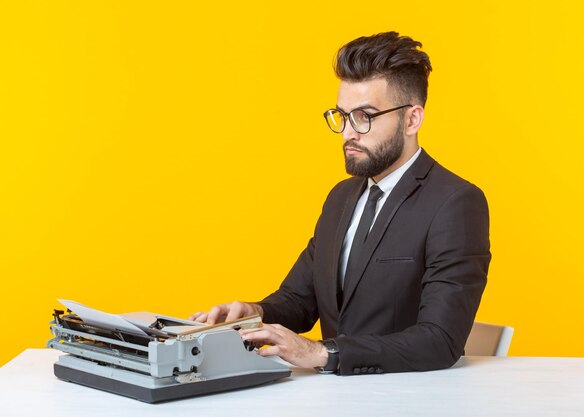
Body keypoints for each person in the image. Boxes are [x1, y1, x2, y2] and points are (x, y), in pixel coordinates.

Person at [190, 32, 491, 375]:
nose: (349, 132)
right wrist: (253, 314)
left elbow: (440, 341)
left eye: (364, 116)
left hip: (408, 398)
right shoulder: (340, 197)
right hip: (334, 398)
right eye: (342, 115)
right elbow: (300, 301)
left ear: (412, 119)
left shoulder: (456, 203)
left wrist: (324, 353)